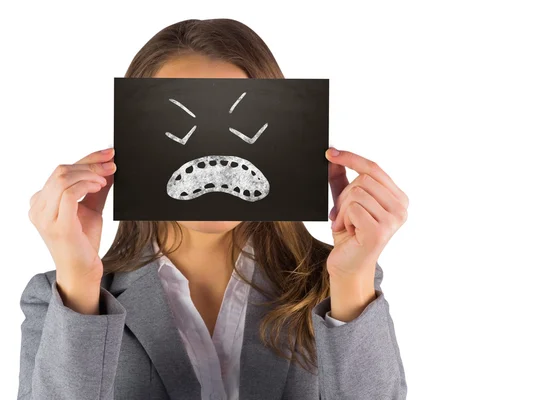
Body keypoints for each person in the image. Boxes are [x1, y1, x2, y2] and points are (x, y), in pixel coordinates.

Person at [18, 18, 409, 400]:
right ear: (137, 141)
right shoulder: (59, 300)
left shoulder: (342, 289)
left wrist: (352, 280)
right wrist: (80, 285)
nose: (213, 150)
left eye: (246, 127)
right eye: (177, 128)